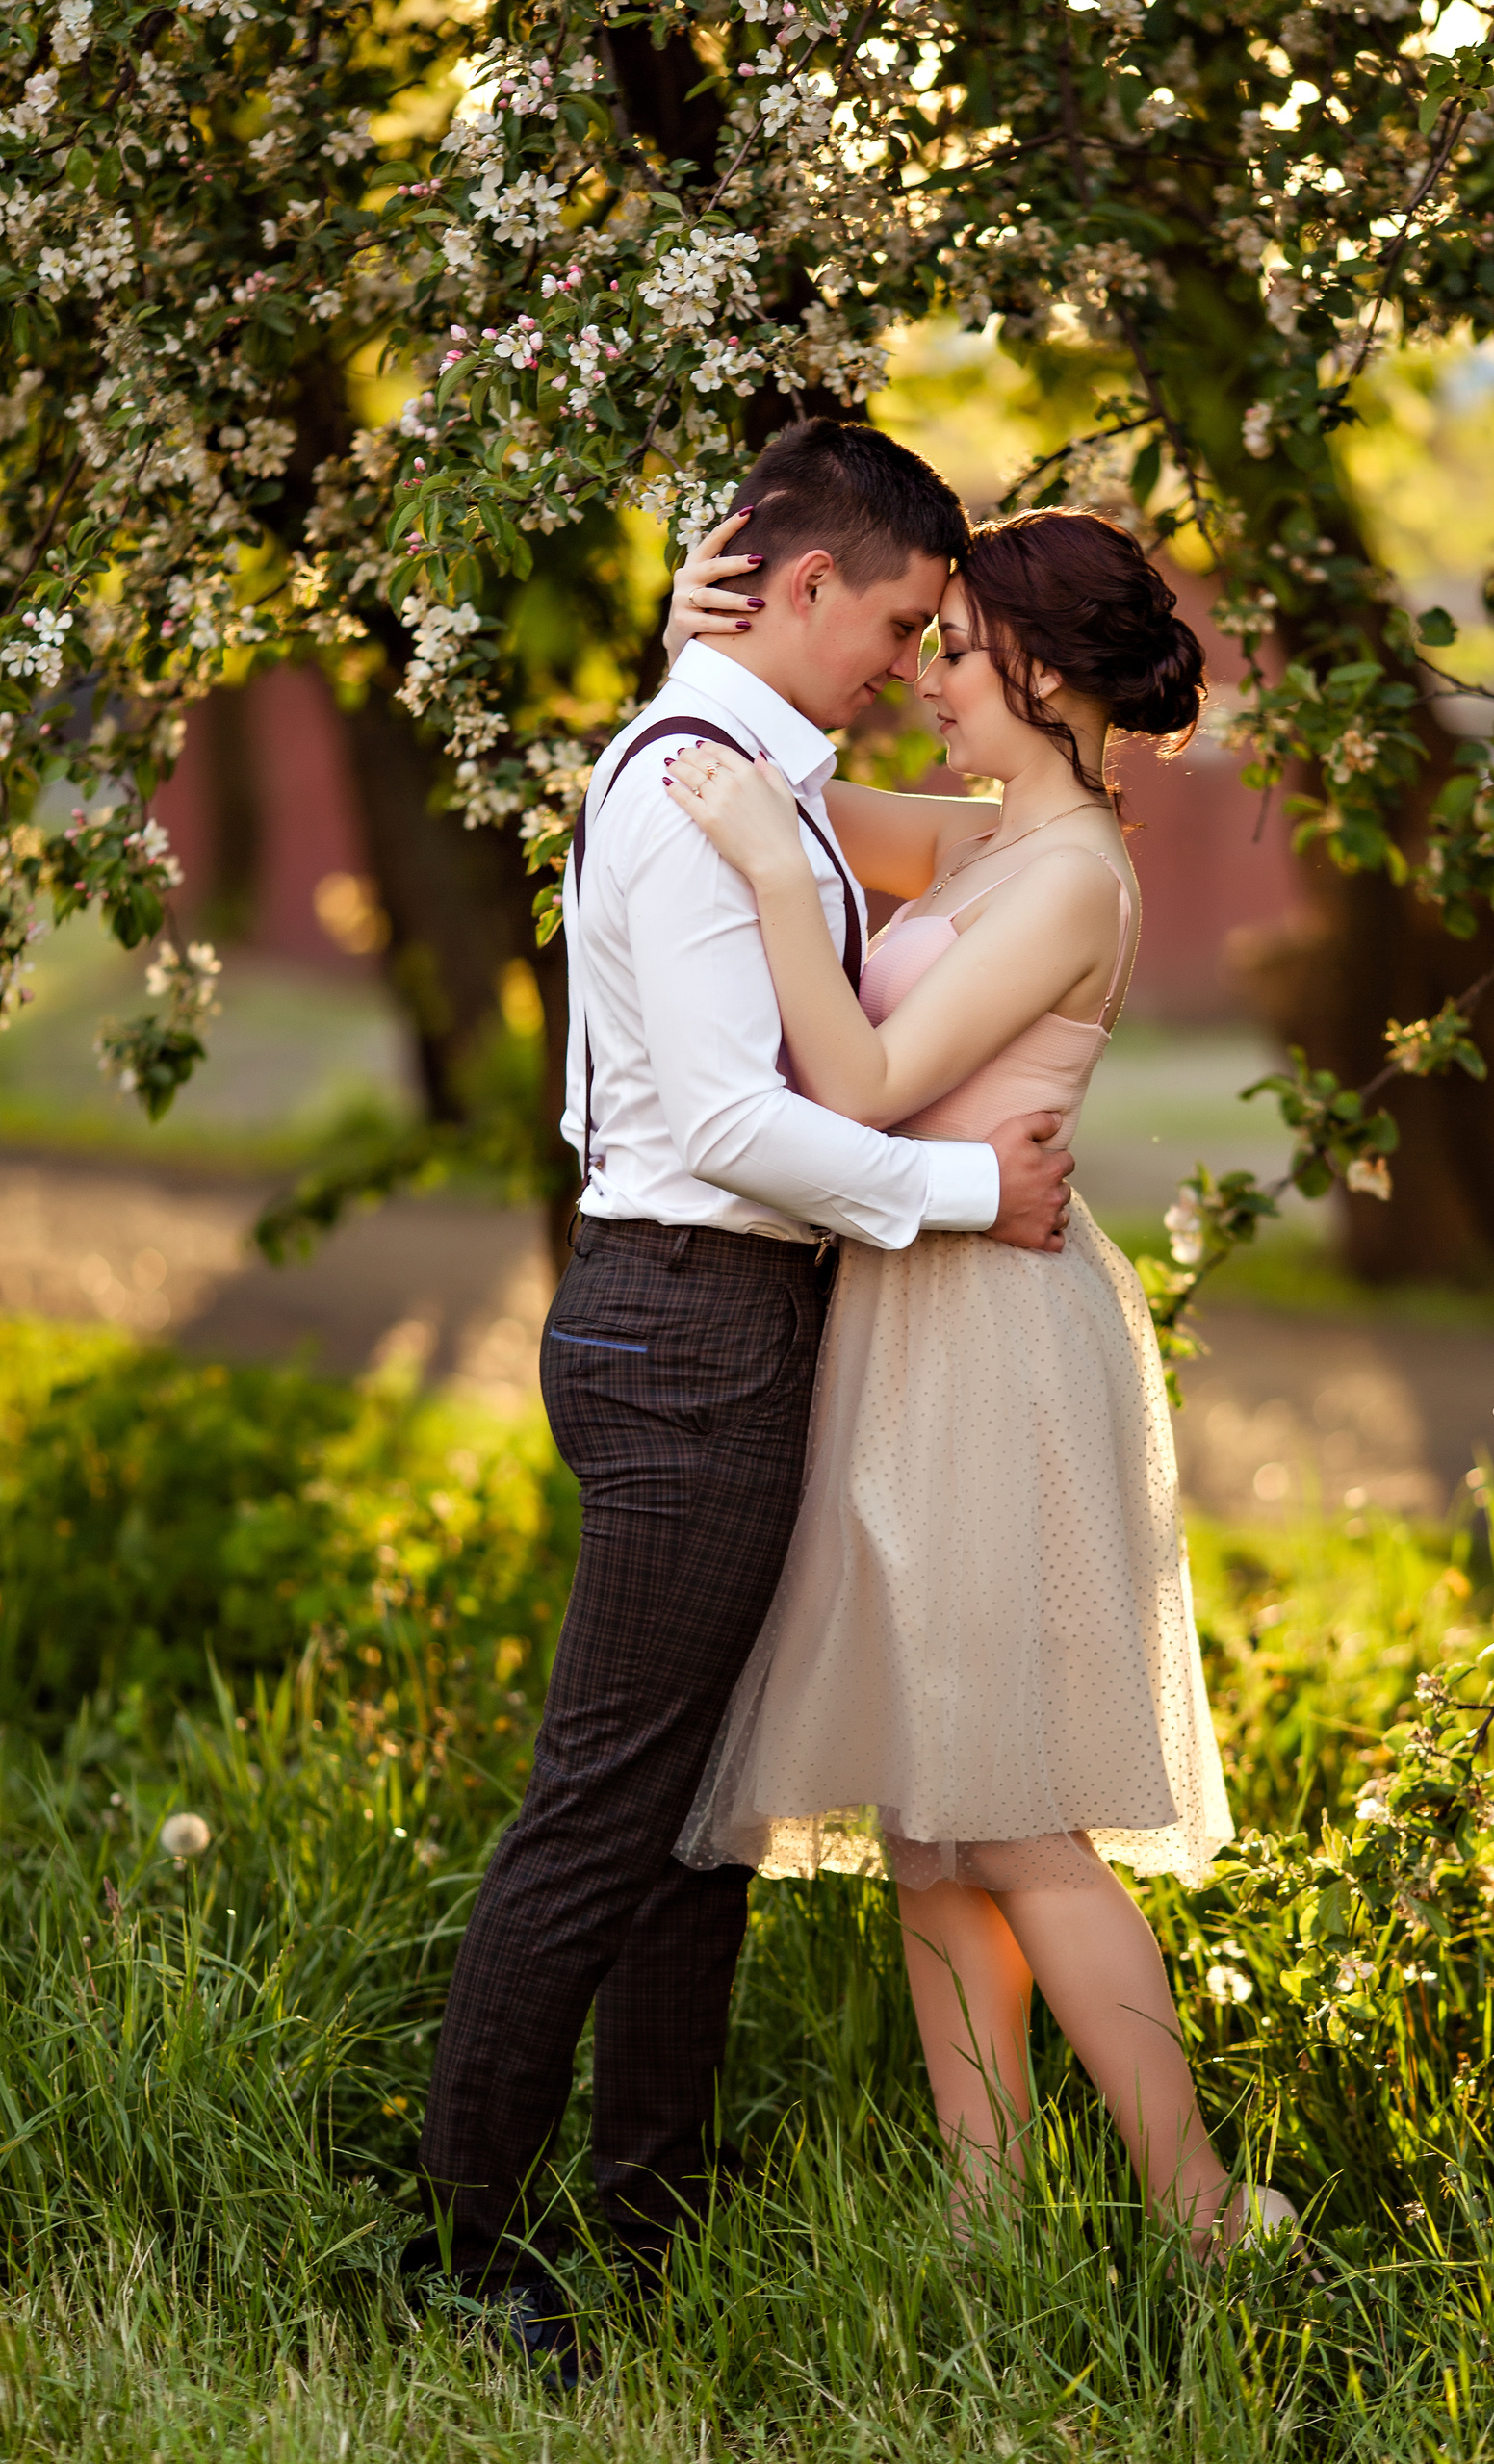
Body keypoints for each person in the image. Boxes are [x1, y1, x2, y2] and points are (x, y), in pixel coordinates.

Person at [410, 420, 1076, 2371]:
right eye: (889, 618)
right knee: (610, 1805)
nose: (900, 658)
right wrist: (971, 1190)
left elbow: (992, 829)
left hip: (725, 1321)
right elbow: (723, 1116)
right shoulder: (692, 781)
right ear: (803, 588)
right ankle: (455, 2251)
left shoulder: (750, 771)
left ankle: (651, 2213)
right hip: (688, 1321)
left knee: (700, 1809)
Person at [663, 502, 1301, 2256]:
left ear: (1038, 665)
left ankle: (1198, 2208)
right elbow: (766, 780)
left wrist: (790, 888)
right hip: (908, 1323)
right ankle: (981, 2208)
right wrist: (692, 648)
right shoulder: (979, 844)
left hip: (998, 1347)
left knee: (1014, 1812)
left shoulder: (1077, 876)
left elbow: (859, 1085)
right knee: (932, 1825)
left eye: (953, 647)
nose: (926, 675)